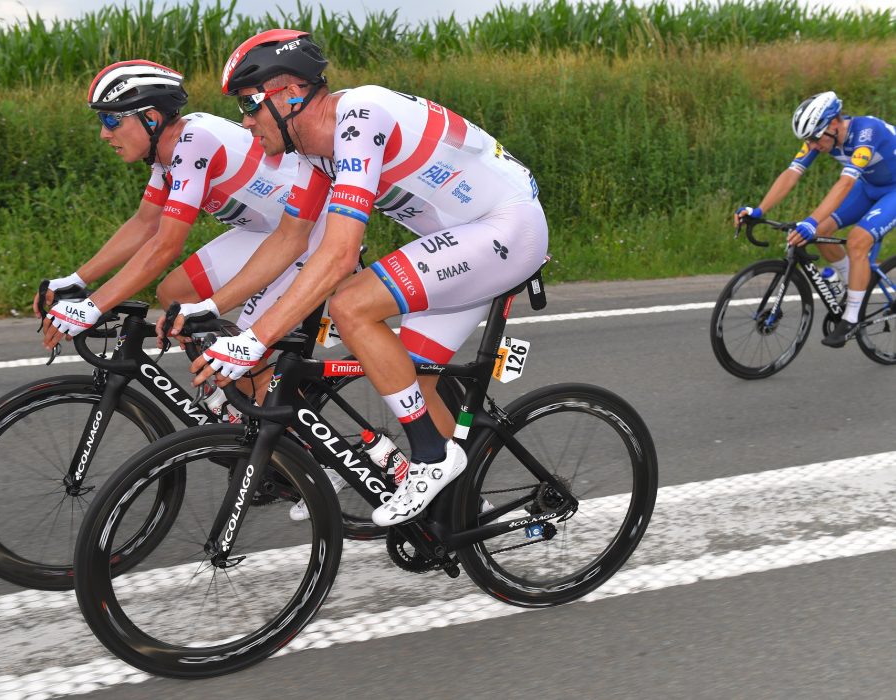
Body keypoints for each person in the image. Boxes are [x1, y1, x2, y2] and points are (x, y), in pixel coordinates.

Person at [190, 29, 548, 527]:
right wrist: (211, 307)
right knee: (409, 374)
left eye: (250, 103)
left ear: (290, 92)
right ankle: (465, 512)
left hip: (506, 228)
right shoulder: (314, 150)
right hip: (465, 241)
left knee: (351, 304)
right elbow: (290, 239)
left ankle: (431, 457)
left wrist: (255, 339)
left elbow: (339, 255)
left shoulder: (360, 118)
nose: (245, 121)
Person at [37, 59, 326, 405]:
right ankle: (239, 398)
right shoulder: (168, 153)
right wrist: (76, 280)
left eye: (112, 120)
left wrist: (93, 307)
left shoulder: (193, 144)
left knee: (245, 360)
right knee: (177, 293)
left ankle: (279, 425)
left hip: (309, 234)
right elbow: (145, 224)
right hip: (267, 231)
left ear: (151, 118)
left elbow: (166, 246)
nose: (104, 133)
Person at [734, 91, 896, 347]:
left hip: (893, 190)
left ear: (834, 124)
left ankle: (852, 318)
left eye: (814, 138)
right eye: (807, 140)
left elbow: (845, 184)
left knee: (857, 241)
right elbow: (792, 173)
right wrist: (759, 210)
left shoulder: (866, 133)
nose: (812, 145)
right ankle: (850, 283)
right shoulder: (821, 137)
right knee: (821, 231)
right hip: (869, 186)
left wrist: (809, 221)